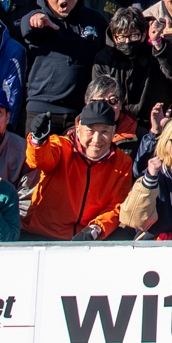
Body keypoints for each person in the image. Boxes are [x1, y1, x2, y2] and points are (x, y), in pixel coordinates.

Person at [20, 0, 112, 140]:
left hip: (80, 111)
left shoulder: (95, 19)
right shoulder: (38, 17)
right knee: (36, 157)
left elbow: (108, 53)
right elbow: (27, 29)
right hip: (42, 109)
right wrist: (34, 21)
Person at [20, 100, 134, 241]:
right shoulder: (61, 146)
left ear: (114, 132)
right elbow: (38, 161)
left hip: (87, 238)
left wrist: (95, 230)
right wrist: (38, 140)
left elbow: (116, 206)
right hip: (42, 233)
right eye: (90, 131)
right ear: (78, 129)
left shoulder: (122, 162)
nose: (96, 140)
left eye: (104, 131)